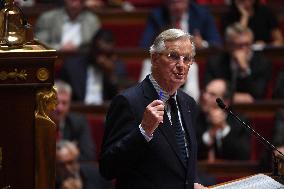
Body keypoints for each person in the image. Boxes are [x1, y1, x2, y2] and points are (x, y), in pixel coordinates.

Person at [99, 29, 207, 189]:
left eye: (187, 59)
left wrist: (193, 182)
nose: (181, 66)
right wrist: (143, 131)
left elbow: (182, 160)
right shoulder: (128, 102)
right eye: (174, 56)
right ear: (155, 58)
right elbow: (108, 168)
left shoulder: (188, 103)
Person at [204, 23, 271, 104]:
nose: (244, 49)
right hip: (221, 109)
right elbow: (209, 92)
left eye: (247, 44)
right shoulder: (215, 63)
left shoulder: (262, 63)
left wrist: (244, 69)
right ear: (228, 45)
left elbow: (259, 95)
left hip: (251, 110)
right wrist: (232, 97)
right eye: (239, 45)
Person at [59, 29, 128, 104]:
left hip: (105, 112)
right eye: (98, 52)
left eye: (106, 54)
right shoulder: (72, 66)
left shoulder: (117, 67)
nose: (101, 60)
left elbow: (122, 100)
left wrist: (111, 74)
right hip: (78, 111)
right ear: (91, 48)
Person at [196, 79, 251, 161]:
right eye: (205, 92)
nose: (205, 97)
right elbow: (189, 153)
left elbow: (243, 156)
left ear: (225, 101)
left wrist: (224, 128)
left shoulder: (240, 121)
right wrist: (210, 134)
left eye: (212, 94)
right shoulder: (194, 117)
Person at [140, 0, 222, 50]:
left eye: (180, 2)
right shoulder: (157, 16)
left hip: (194, 60)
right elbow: (144, 46)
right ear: (166, 2)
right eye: (173, 3)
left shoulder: (202, 14)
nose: (177, 7)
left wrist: (202, 44)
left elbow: (216, 43)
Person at [51, 80, 96, 161]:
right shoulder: (38, 123)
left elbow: (88, 155)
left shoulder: (79, 122)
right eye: (56, 102)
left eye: (64, 103)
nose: (59, 108)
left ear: (69, 105)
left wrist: (66, 156)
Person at [35, 0, 101, 51]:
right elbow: (39, 42)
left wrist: (78, 48)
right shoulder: (48, 18)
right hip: (55, 57)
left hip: (83, 59)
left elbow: (95, 46)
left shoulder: (92, 20)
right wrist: (59, 48)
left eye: (80, 1)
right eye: (72, 0)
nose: (76, 4)